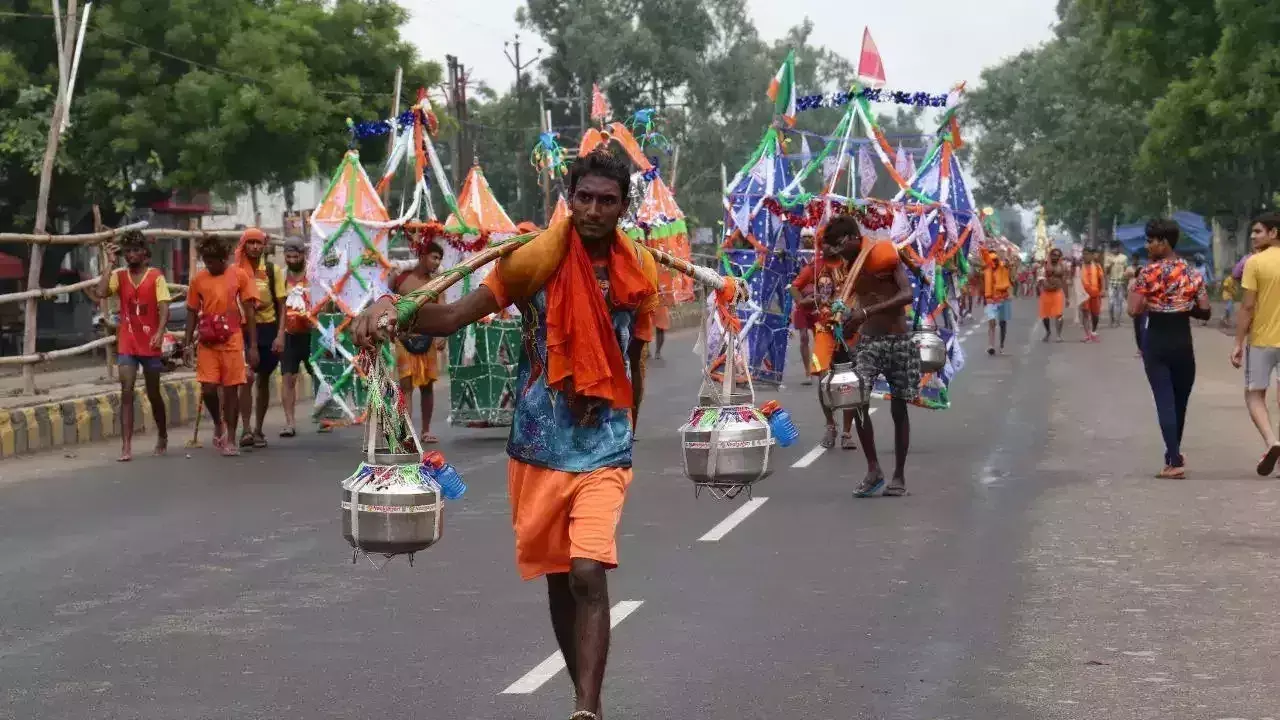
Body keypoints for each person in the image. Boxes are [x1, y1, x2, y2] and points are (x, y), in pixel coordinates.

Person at [354, 149, 659, 720]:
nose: (595, 209)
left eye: (608, 200)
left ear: (623, 206)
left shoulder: (637, 268)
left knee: (589, 571)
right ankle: (583, 691)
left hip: (606, 447)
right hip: (538, 447)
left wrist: (627, 424)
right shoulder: (530, 264)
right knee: (559, 577)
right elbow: (448, 318)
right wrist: (393, 307)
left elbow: (634, 357)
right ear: (569, 198)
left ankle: (587, 709)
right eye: (585, 197)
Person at [839, 225, 918, 498]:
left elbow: (907, 295)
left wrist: (867, 311)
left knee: (899, 409)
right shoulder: (846, 271)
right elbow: (852, 310)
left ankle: (899, 475)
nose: (835, 252)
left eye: (838, 245)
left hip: (898, 341)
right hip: (869, 342)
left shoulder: (886, 255)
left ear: (851, 239)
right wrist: (848, 325)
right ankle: (874, 469)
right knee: (857, 400)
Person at [1129, 219, 1210, 479]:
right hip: (1183, 342)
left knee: (1164, 400)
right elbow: (1206, 311)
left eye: (1151, 240)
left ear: (1163, 242)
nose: (1147, 245)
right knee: (1179, 402)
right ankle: (1172, 454)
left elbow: (1134, 309)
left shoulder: (1147, 273)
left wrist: (1148, 297)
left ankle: (1174, 460)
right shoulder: (1192, 273)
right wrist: (1184, 305)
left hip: (1157, 341)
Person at [92, 231, 171, 461]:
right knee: (126, 390)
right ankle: (126, 446)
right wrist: (109, 264)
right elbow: (101, 292)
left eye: (136, 250)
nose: (131, 255)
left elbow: (164, 306)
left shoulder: (156, 276)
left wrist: (160, 332)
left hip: (150, 341)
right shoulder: (120, 276)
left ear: (145, 254)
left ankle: (163, 434)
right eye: (127, 251)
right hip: (127, 340)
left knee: (153, 392)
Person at [183, 238, 259, 457]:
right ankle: (219, 423)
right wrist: (187, 343)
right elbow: (190, 311)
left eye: (213, 261)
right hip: (207, 341)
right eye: (206, 261)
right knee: (208, 388)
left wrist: (252, 346)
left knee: (231, 390)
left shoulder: (239, 275)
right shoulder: (198, 280)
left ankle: (231, 438)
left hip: (232, 339)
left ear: (224, 258)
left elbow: (250, 312)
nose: (209, 265)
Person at [790, 219, 859, 449]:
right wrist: (805, 302)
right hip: (824, 329)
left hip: (849, 330)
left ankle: (847, 433)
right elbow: (794, 287)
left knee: (849, 381)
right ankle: (830, 425)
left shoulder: (851, 264)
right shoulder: (815, 266)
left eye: (831, 243)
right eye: (824, 243)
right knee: (823, 381)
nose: (827, 247)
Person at [1230, 212, 1280, 475]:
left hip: (1262, 340)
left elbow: (1248, 307)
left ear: (1274, 233)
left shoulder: (1255, 263)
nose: (1253, 236)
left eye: (1258, 231)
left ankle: (1273, 442)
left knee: (1254, 395)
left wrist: (1238, 342)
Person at [234, 228, 286, 449]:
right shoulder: (236, 271)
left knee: (263, 379)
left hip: (268, 329)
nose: (255, 247)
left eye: (259, 243)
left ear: (264, 246)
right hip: (242, 330)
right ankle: (245, 429)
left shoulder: (273, 271)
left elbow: (282, 305)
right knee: (246, 378)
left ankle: (258, 429)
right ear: (244, 245)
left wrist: (281, 335)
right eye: (251, 243)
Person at [393, 240, 446, 443]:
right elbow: (388, 301)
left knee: (427, 387)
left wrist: (442, 335)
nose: (436, 262)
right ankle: (406, 432)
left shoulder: (438, 282)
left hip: (427, 338)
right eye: (434, 257)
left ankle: (425, 430)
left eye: (439, 259)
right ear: (423, 256)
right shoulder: (402, 280)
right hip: (404, 338)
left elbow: (442, 308)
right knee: (406, 385)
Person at [278, 238, 316, 437]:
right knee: (288, 378)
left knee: (318, 375)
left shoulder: (313, 275)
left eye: (296, 256)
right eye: (289, 256)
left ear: (303, 255)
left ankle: (324, 414)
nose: (292, 260)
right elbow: (280, 307)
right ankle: (290, 422)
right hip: (290, 335)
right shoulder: (281, 277)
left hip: (312, 334)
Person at [792, 227, 817, 386]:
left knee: (820, 336)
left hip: (818, 303)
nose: (808, 239)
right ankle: (808, 372)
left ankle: (819, 368)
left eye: (810, 236)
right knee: (803, 337)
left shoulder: (820, 255)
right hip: (801, 302)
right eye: (805, 237)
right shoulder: (795, 255)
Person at [980, 244, 1013, 355]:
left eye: (995, 259)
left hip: (1004, 298)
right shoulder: (986, 270)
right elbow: (983, 285)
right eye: (991, 259)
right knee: (992, 323)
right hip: (991, 300)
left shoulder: (1004, 266)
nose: (993, 262)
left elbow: (1011, 270)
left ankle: (1002, 345)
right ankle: (991, 345)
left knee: (1003, 323)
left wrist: (1008, 260)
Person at [1038, 248, 1070, 342]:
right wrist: (1042, 284)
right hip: (1046, 293)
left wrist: (1067, 297)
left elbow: (1064, 282)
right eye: (1054, 255)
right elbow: (1040, 278)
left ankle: (1058, 335)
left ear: (1060, 257)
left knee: (1059, 314)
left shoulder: (1062, 267)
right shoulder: (1044, 265)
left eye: (1057, 255)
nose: (1055, 257)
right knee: (1045, 315)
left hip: (1057, 293)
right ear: (1050, 255)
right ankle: (1048, 332)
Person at [1079, 248, 1104, 342]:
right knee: (1085, 314)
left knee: (1095, 314)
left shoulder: (1097, 266)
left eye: (1087, 254)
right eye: (1084, 254)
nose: (1085, 256)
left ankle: (1093, 331)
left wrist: (1103, 290)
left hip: (1095, 293)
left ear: (1091, 255)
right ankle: (1087, 334)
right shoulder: (1079, 267)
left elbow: (1102, 279)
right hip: (1084, 294)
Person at [1104, 242, 1130, 327]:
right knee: (1111, 302)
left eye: (1117, 247)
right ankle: (1111, 320)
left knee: (1119, 302)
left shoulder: (1124, 257)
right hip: (1111, 282)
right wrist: (1110, 264)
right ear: (1111, 248)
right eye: (1114, 248)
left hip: (1121, 282)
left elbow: (1126, 271)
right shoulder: (1108, 257)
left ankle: (1117, 321)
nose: (1116, 249)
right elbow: (1106, 272)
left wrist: (1126, 284)